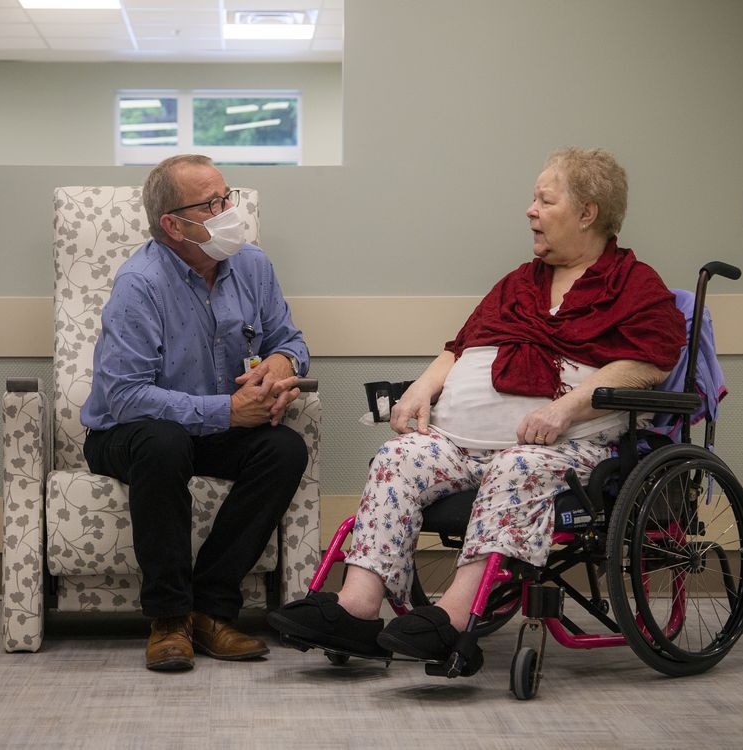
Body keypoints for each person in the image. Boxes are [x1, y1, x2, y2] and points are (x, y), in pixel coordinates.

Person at [269, 147, 685, 662]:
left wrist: (566, 407)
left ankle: (456, 618)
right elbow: (461, 347)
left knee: (517, 464)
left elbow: (650, 363)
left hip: (566, 448)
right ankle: (357, 608)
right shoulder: (520, 281)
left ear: (587, 213)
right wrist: (422, 388)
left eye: (544, 200)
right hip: (464, 445)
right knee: (398, 457)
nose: (529, 209)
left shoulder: (633, 284)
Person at [81, 154, 310, 672]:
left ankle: (210, 609)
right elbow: (126, 397)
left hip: (211, 427)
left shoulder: (252, 265)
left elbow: (290, 340)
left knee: (284, 450)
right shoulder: (139, 284)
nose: (230, 211)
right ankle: (168, 619)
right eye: (212, 204)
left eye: (227, 197)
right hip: (126, 434)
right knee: (164, 442)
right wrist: (227, 411)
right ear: (173, 225)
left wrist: (281, 361)